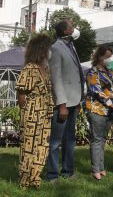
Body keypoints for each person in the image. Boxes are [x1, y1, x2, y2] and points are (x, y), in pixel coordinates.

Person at [46, 19, 85, 181]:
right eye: (72, 27)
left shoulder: (71, 46)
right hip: (63, 104)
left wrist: (79, 100)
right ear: (66, 31)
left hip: (74, 101)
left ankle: (68, 171)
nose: (75, 29)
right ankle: (52, 175)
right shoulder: (55, 49)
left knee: (70, 139)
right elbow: (57, 78)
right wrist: (62, 104)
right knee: (55, 142)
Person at [16, 33, 54, 188]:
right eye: (48, 48)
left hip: (45, 110)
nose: (50, 51)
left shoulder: (45, 68)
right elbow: (21, 93)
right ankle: (24, 181)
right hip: (32, 111)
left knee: (42, 147)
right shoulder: (30, 68)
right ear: (42, 49)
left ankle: (35, 178)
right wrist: (27, 111)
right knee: (29, 146)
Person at [85, 45, 113, 180]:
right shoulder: (92, 72)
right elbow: (95, 90)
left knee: (103, 139)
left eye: (110, 56)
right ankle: (95, 169)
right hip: (96, 109)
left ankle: (101, 167)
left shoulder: (111, 72)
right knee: (96, 139)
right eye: (107, 56)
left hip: (110, 110)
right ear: (99, 56)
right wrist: (110, 103)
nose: (109, 59)